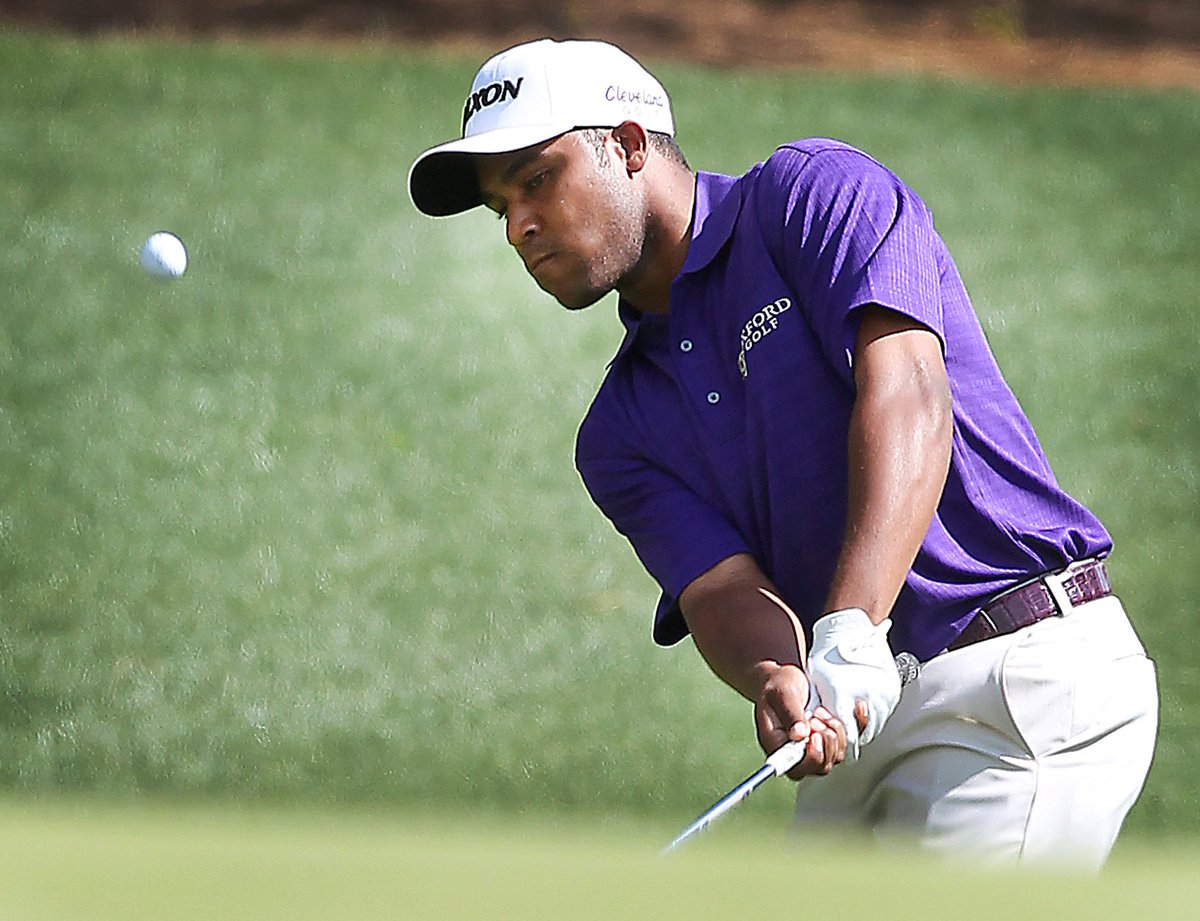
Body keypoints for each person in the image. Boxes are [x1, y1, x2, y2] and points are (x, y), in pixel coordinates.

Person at [407, 37, 1158, 868]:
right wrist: (777, 676)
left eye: (536, 179)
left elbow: (908, 391)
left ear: (625, 145)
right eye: (499, 206)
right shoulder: (617, 433)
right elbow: (721, 587)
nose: (517, 226)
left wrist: (848, 626)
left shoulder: (813, 194)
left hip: (1013, 677)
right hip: (860, 728)